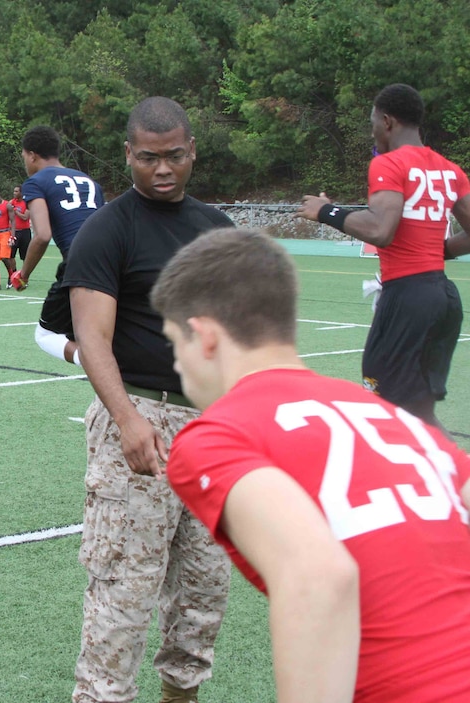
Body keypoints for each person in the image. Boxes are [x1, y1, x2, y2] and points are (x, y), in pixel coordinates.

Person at [152, 227, 470, 703]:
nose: (177, 365)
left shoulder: (217, 435)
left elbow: (318, 574)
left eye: (174, 343)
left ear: (204, 337)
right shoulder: (391, 416)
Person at [62, 98, 233, 703]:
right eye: (149, 158)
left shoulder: (217, 229)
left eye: (175, 156)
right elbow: (91, 338)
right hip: (140, 419)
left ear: (193, 152)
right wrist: (129, 420)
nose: (164, 170)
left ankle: (180, 695)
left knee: (203, 595)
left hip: (211, 429)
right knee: (123, 595)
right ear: (129, 155)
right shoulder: (108, 229)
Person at [297, 83, 470, 432]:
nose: (372, 130)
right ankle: (453, 480)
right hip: (443, 297)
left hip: (407, 299)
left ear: (387, 121)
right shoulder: (450, 169)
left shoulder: (389, 164)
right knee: (419, 413)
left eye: (373, 122)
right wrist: (438, 252)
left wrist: (326, 211)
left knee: (382, 406)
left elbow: (381, 230)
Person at [15, 125, 104, 368]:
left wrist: (23, 275)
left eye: (24, 157)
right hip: (115, 261)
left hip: (80, 264)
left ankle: (98, 365)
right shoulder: (89, 181)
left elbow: (42, 235)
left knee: (46, 335)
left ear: (32, 155)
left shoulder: (35, 182)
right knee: (91, 333)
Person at [9, 185, 32, 262]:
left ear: (21, 193)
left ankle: (25, 273)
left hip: (24, 232)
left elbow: (25, 217)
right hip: (14, 232)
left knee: (25, 256)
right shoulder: (11, 202)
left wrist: (15, 211)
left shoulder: (26, 203)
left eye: (16, 191)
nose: (14, 193)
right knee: (10, 255)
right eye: (14, 191)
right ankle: (13, 272)